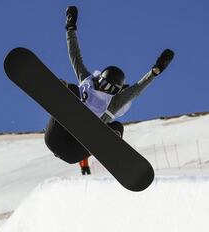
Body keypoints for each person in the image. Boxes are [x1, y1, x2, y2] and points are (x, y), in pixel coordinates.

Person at [44, 6, 174, 164]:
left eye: (111, 90)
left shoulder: (114, 102)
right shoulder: (87, 80)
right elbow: (75, 56)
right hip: (56, 135)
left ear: (116, 91)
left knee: (117, 126)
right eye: (104, 85)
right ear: (99, 79)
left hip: (74, 151)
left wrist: (155, 71)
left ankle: (109, 143)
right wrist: (70, 28)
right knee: (71, 89)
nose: (106, 90)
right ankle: (60, 95)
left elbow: (137, 89)